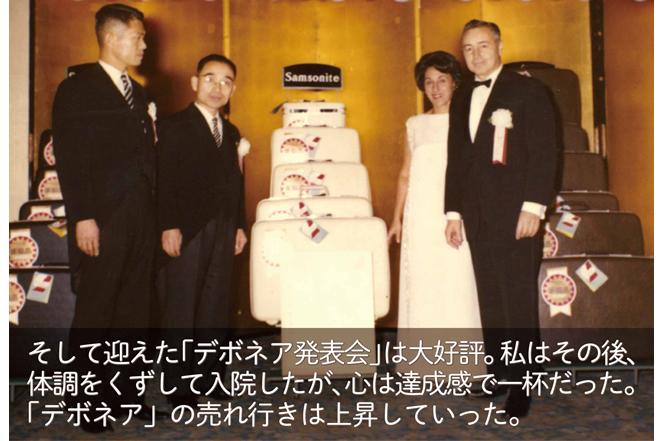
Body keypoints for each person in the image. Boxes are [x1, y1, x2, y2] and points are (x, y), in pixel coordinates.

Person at [52, 3, 164, 433]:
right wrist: (84, 217)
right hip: (103, 217)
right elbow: (71, 159)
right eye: (138, 36)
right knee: (97, 309)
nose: (144, 45)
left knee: (135, 309)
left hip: (142, 216)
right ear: (112, 38)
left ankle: (125, 398)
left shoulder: (141, 93)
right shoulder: (77, 89)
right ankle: (84, 402)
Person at [445, 20, 557, 418]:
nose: (475, 55)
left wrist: (534, 206)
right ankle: (499, 375)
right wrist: (453, 212)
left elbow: (544, 153)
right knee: (490, 300)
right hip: (477, 216)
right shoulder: (462, 95)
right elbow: (457, 158)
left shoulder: (529, 90)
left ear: (500, 46)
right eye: (468, 48)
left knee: (517, 303)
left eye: (483, 46)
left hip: (516, 216)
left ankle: (522, 387)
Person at [156, 54, 248, 409]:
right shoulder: (173, 126)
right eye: (210, 78)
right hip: (187, 228)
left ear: (233, 90)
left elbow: (236, 184)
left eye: (226, 81)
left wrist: (239, 226)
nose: (217, 87)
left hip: (223, 227)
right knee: (181, 307)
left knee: (215, 305)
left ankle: (211, 378)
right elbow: (163, 181)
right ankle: (179, 386)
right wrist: (168, 225)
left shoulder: (231, 132)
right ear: (195, 83)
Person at [388, 52, 484, 377]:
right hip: (420, 214)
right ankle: (424, 364)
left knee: (457, 280)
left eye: (442, 80)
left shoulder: (469, 119)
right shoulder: (414, 124)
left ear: (455, 83)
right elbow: (405, 174)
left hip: (455, 213)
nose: (436, 88)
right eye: (429, 82)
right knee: (424, 282)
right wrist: (396, 218)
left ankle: (463, 364)